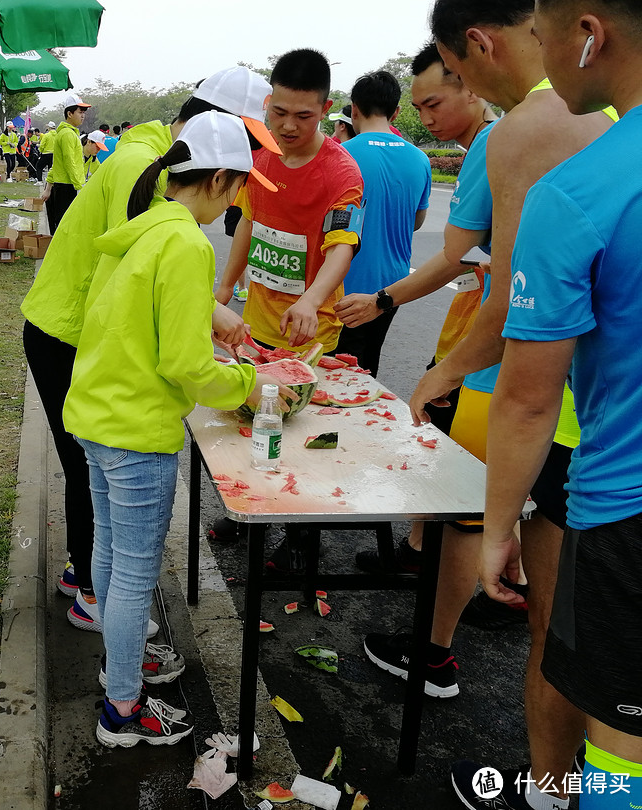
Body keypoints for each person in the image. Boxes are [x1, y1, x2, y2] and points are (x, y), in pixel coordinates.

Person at [386, 3, 613, 808]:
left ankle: (552, 790)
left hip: (578, 433)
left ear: (475, 50)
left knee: (560, 635)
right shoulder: (613, 123)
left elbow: (517, 330)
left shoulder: (529, 128)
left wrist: (434, 377)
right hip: (607, 426)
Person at [20, 66, 280, 635]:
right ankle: (96, 599)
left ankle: (83, 576)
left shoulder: (155, 157)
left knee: (86, 467)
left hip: (71, 330)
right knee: (95, 473)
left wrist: (211, 316)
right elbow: (140, 269)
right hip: (69, 333)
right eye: (245, 150)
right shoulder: (144, 166)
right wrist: (213, 344)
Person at [62, 110, 284, 746]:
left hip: (96, 420)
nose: (239, 200)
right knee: (133, 574)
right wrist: (253, 386)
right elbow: (184, 365)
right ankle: (124, 712)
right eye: (239, 185)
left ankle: (118, 673)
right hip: (136, 435)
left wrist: (214, 327)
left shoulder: (141, 232)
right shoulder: (187, 243)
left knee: (108, 554)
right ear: (218, 178)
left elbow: (139, 327)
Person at [481, 2, 642, 808]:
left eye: (542, 37)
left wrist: (496, 529)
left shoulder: (578, 191)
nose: (541, 58)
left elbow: (525, 401)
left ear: (591, 32)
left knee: (624, 730)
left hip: (625, 512)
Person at [337, 42, 501, 585]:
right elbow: (421, 222)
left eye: (433, 104)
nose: (427, 118)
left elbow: (457, 252)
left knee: (452, 446)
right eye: (419, 108)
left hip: (366, 296)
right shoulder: (417, 156)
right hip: (411, 293)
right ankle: (418, 543)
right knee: (378, 387)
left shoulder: (492, 144)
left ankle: (466, 567)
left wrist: (377, 296)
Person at [215, 49, 363, 356]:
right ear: (267, 103)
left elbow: (342, 245)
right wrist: (228, 284)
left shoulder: (342, 173)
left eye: (303, 116)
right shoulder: (257, 156)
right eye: (279, 113)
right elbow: (248, 221)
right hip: (255, 324)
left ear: (325, 109)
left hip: (310, 328)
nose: (288, 126)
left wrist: (310, 301)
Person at [333, 70, 431, 377]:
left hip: (344, 284)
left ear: (355, 109)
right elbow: (416, 221)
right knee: (367, 366)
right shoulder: (420, 159)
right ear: (397, 112)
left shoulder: (341, 155)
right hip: (393, 287)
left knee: (337, 370)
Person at [41, 92, 91, 231]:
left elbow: (57, 165)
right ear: (70, 114)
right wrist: (79, 187)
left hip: (65, 185)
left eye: (84, 113)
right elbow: (70, 163)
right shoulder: (68, 134)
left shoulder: (69, 133)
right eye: (80, 112)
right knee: (65, 226)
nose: (83, 116)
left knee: (63, 225)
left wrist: (48, 188)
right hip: (66, 186)